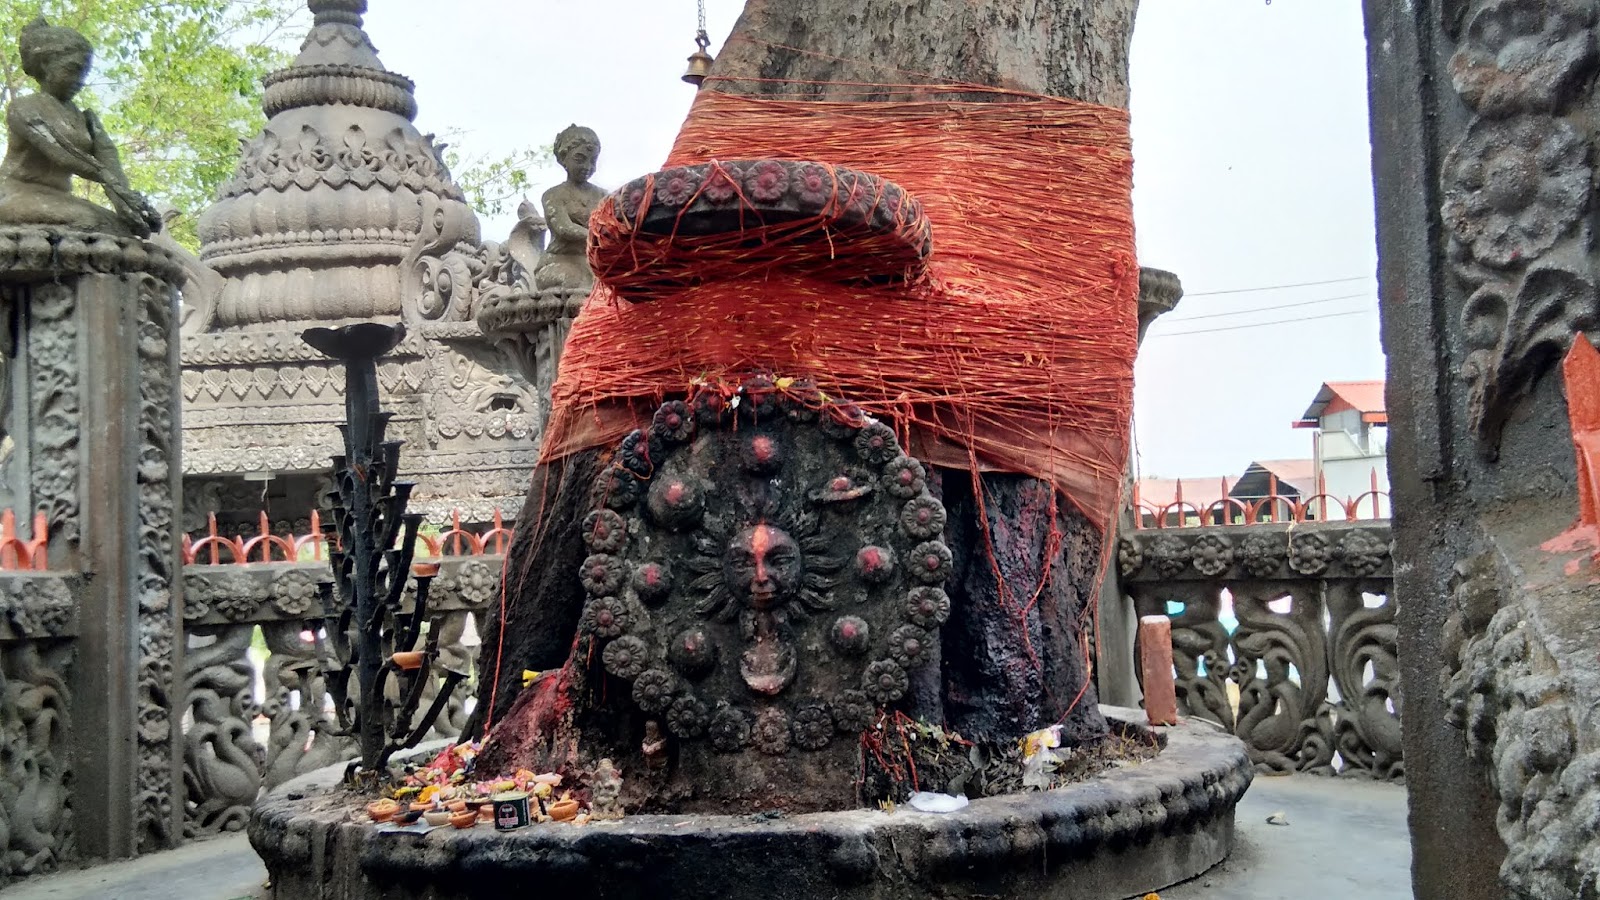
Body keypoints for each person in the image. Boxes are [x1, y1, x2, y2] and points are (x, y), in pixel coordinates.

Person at [0, 18, 161, 238]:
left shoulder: (86, 119)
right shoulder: (24, 108)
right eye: (72, 70)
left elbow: (110, 162)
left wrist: (127, 204)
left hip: (58, 196)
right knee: (88, 221)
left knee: (119, 228)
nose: (80, 81)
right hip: (16, 191)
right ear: (46, 64)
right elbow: (62, 152)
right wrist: (111, 181)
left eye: (84, 73)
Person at [532, 125, 605, 291]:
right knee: (575, 280)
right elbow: (564, 228)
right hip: (559, 260)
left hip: (593, 262)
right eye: (580, 159)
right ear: (564, 158)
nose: (587, 166)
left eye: (593, 161)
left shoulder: (602, 195)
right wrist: (598, 236)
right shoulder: (553, 195)